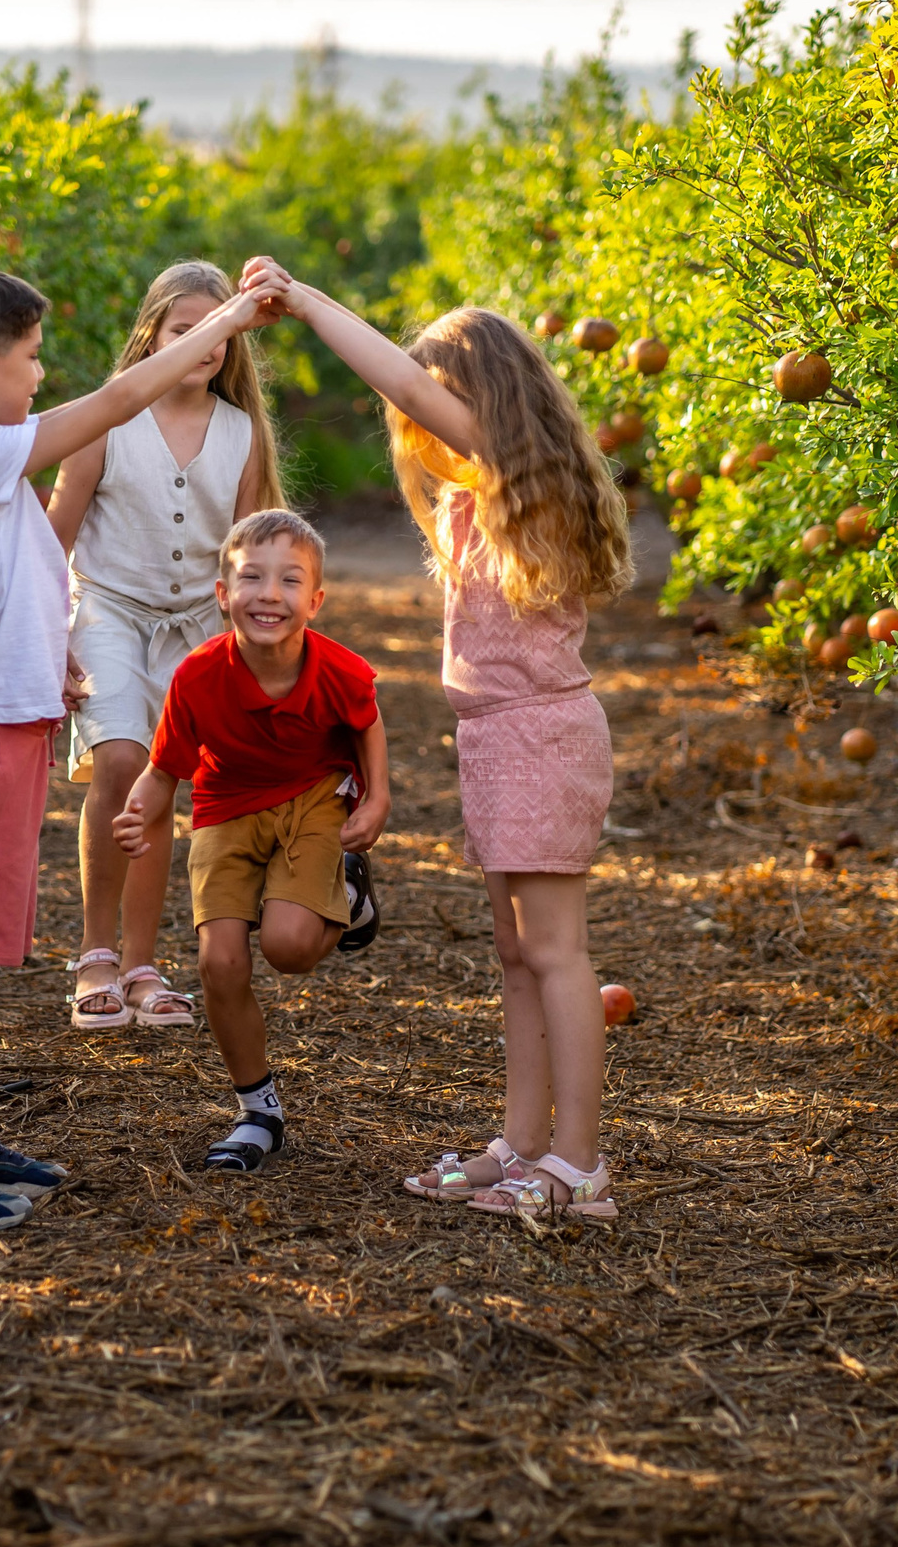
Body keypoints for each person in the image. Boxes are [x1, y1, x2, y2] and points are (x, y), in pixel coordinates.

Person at [0, 262, 285, 1233]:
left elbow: (25, 568)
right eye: (27, 358)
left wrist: (48, 649)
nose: (37, 372)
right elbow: (121, 396)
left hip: (8, 717)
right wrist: (230, 316)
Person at [246, 256, 633, 1220]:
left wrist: (305, 300)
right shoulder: (482, 495)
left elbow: (405, 381)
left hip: (541, 737)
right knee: (516, 955)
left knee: (556, 952)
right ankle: (523, 1140)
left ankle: (579, 1165)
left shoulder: (517, 476)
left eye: (438, 405)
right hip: (499, 740)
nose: (417, 429)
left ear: (483, 398)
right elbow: (417, 396)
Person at [45, 262, 290, 1032]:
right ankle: (95, 954)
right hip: (110, 612)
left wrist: (258, 654)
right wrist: (50, 639)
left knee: (163, 782)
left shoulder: (242, 433)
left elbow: (248, 554)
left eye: (214, 330)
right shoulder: (108, 421)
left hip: (195, 628)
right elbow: (56, 536)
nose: (200, 343)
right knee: (118, 760)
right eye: (184, 328)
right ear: (153, 332)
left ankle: (144, 964)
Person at [112, 509, 387, 1172]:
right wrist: (136, 810)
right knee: (221, 962)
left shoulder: (335, 669)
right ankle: (258, 1109)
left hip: (314, 795)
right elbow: (164, 769)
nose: (270, 593)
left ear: (315, 600)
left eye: (290, 580)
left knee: (289, 947)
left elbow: (367, 721)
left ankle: (349, 886)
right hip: (226, 806)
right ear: (223, 593)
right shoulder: (197, 677)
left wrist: (377, 797)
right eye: (252, 577)